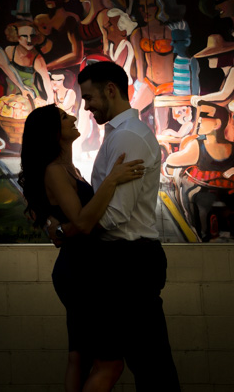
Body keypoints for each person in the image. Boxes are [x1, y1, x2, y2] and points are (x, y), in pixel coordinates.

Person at [58, 60, 182, 391]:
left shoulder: (128, 137)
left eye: (88, 98)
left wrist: (73, 228)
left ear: (110, 90)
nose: (86, 107)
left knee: (149, 366)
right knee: (130, 363)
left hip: (129, 263)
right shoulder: (120, 134)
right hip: (122, 262)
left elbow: (115, 217)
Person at [20, 103, 145, 392]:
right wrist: (112, 180)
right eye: (64, 117)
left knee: (79, 357)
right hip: (81, 271)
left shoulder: (68, 168)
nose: (74, 116)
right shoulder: (54, 171)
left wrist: (62, 227)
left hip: (81, 267)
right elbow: (84, 222)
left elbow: (73, 223)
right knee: (111, 364)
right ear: (52, 133)